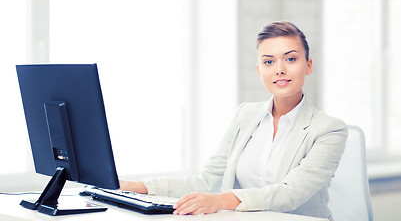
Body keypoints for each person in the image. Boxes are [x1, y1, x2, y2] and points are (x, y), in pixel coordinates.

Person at [119, 21, 348, 220]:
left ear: (308, 65)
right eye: (269, 62)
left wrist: (220, 201)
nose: (279, 69)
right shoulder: (245, 115)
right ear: (259, 71)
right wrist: (139, 187)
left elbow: (289, 193)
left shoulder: (329, 130)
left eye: (290, 59)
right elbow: (208, 181)